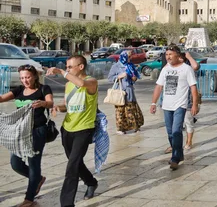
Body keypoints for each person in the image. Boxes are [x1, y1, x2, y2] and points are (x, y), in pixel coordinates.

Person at [49, 55, 99, 206]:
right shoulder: (68, 85)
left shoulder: (91, 82)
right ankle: (91, 182)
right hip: (67, 129)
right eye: (67, 67)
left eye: (70, 67)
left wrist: (61, 72)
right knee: (75, 163)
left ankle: (66, 203)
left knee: (71, 168)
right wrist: (58, 107)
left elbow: (82, 84)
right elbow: (67, 106)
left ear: (81, 67)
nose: (67, 69)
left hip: (84, 129)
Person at [0, 65, 53, 207]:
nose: (25, 80)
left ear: (35, 76)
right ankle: (38, 179)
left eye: (28, 77)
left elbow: (50, 102)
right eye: (22, 78)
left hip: (37, 131)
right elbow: (1, 98)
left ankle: (29, 199)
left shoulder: (43, 89)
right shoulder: (19, 90)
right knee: (15, 163)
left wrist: (43, 103)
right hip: (20, 132)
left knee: (34, 164)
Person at [150, 45, 199, 169]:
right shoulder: (165, 69)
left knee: (177, 130)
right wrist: (153, 103)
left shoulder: (187, 69)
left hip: (180, 105)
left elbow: (193, 87)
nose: (168, 57)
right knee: (170, 132)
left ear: (178, 55)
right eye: (166, 55)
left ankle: (175, 157)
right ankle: (179, 154)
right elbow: (159, 87)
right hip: (167, 105)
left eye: (170, 54)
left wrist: (194, 104)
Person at [160, 46, 200, 152]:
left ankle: (188, 142)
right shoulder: (170, 67)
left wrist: (189, 57)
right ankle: (174, 147)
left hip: (186, 101)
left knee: (188, 121)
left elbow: (196, 66)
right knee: (174, 127)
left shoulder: (187, 67)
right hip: (172, 102)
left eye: (182, 57)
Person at [108, 50, 144, 135]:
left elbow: (135, 77)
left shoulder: (130, 65)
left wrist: (134, 77)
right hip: (120, 91)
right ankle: (121, 128)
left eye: (131, 56)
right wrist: (118, 76)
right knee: (120, 110)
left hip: (129, 90)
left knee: (132, 108)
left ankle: (135, 126)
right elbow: (110, 78)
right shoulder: (116, 66)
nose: (130, 58)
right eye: (129, 56)